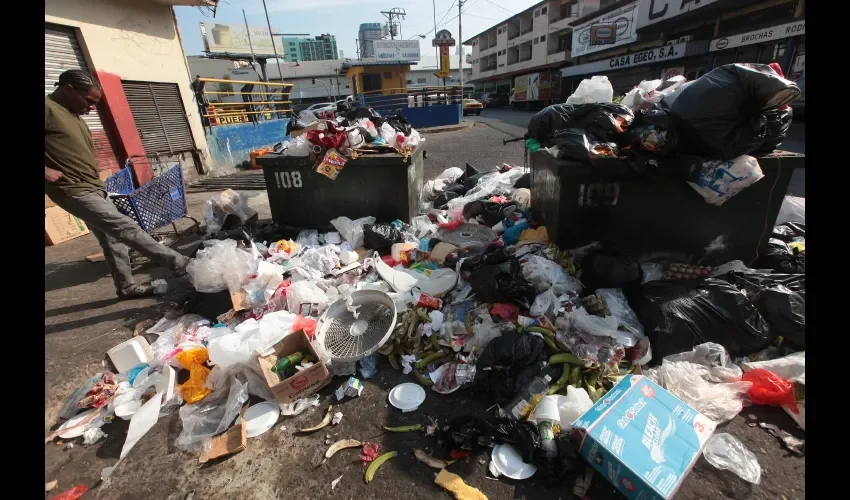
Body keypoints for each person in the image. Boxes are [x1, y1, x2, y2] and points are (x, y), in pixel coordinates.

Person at [45, 69, 191, 300]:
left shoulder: (71, 114)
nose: (92, 108)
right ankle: (181, 264)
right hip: (73, 189)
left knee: (113, 238)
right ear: (68, 89)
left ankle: (127, 287)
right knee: (125, 227)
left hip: (93, 186)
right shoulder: (48, 108)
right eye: (89, 101)